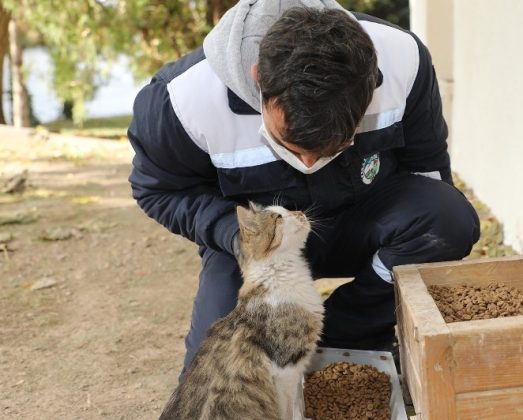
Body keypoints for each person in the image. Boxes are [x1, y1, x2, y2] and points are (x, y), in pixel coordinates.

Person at [127, 0, 480, 380]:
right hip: (257, 248)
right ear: (259, 78)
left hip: (363, 220)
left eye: (334, 145)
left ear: (370, 82)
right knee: (217, 373)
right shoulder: (182, 100)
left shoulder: (402, 60)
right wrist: (234, 235)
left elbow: (426, 174)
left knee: (448, 219)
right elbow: (160, 191)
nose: (310, 163)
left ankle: (350, 333)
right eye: (291, 144)